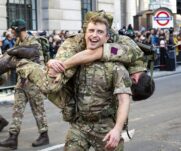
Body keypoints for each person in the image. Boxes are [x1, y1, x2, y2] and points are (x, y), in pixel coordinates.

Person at [0, 19, 49, 150]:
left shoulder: (33, 41)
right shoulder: (18, 42)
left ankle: (44, 135)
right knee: (17, 109)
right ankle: (12, 137)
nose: (11, 32)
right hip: (21, 81)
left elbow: (31, 56)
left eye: (12, 29)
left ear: (18, 29)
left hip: (34, 82)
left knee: (38, 110)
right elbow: (12, 61)